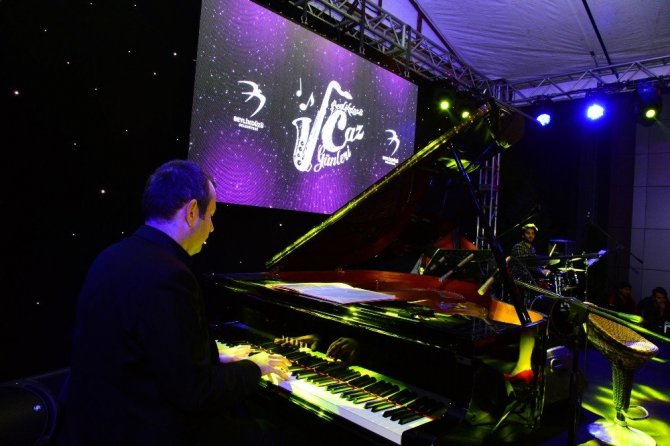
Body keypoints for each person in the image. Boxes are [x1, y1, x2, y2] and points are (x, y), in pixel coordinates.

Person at [59, 160, 291, 446]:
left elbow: (141, 351)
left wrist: (216, 357)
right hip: (141, 429)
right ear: (192, 212)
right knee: (274, 434)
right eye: (211, 216)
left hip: (95, 422)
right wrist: (254, 367)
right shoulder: (169, 276)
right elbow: (196, 393)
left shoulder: (111, 257)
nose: (212, 228)